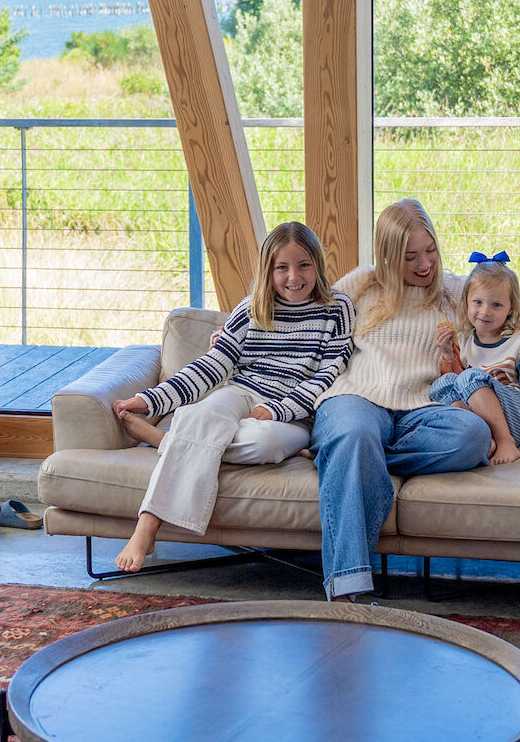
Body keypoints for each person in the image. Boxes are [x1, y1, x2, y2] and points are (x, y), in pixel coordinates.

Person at [112, 221, 355, 573]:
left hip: (294, 413)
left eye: (304, 265)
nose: (293, 277)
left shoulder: (337, 309)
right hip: (242, 391)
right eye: (281, 267)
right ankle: (147, 525)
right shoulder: (251, 309)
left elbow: (329, 375)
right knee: (200, 415)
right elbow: (211, 366)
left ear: (318, 264)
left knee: (263, 443)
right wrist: (151, 400)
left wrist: (278, 411)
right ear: (267, 270)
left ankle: (168, 440)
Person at [311, 199, 512, 602]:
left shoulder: (456, 291)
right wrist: (237, 336)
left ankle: (345, 455)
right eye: (410, 256)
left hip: (424, 410)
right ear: (387, 257)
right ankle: (349, 589)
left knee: (472, 434)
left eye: (431, 250)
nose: (425, 264)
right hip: (356, 399)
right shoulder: (362, 286)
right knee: (354, 431)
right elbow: (294, 310)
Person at [431, 252, 520, 465]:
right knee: (442, 384)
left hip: (519, 419)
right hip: (484, 420)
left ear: (511, 308)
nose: (485, 311)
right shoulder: (466, 340)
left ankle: (506, 442)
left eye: (496, 305)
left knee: (470, 377)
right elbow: (457, 385)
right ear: (465, 302)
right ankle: (486, 440)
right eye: (477, 302)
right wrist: (448, 354)